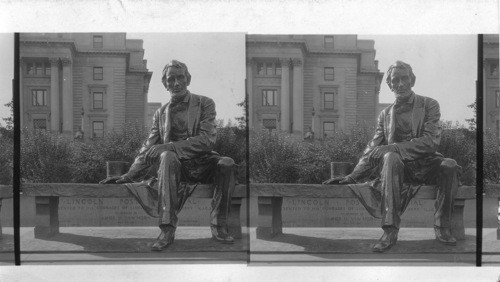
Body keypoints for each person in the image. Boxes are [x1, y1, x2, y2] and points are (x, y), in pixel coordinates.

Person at [323, 61, 460, 252]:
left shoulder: (429, 104)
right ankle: (390, 231)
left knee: (450, 164)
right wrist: (352, 177)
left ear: (412, 80)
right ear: (390, 85)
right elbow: (372, 148)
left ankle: (442, 226)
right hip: (398, 170)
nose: (401, 84)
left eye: (405, 78)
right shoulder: (385, 115)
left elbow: (431, 142)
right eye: (396, 80)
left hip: (427, 165)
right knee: (390, 158)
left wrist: (394, 147)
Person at [100, 60, 236, 251]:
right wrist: (129, 175)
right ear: (165, 84)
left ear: (188, 79)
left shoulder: (205, 103)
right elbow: (147, 147)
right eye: (171, 79)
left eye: (180, 77)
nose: (176, 83)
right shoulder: (160, 113)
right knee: (166, 157)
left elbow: (207, 141)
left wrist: (169, 146)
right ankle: (167, 229)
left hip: (204, 164)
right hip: (175, 169)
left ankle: (218, 225)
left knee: (227, 163)